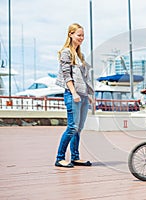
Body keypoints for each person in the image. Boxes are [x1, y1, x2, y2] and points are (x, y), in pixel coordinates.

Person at [54, 23, 95, 168]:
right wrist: (74, 93)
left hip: (82, 96)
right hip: (73, 95)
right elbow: (67, 75)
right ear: (70, 34)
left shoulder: (79, 55)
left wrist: (88, 95)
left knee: (78, 128)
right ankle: (59, 158)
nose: (81, 38)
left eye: (83, 35)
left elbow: (83, 79)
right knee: (72, 127)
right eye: (79, 35)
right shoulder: (66, 52)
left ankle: (75, 157)